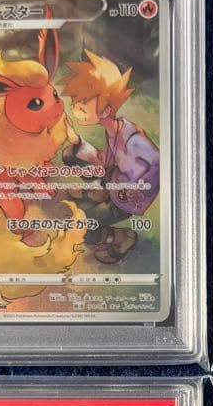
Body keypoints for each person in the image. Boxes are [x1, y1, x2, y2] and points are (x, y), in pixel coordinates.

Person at [61, 49, 160, 264]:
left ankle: (120, 237)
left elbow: (157, 163)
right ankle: (96, 192)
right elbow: (104, 159)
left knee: (84, 227)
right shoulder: (114, 130)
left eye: (82, 105)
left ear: (105, 111)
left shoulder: (133, 138)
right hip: (115, 181)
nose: (76, 110)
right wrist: (76, 140)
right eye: (76, 103)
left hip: (127, 198)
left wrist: (137, 189)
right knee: (71, 154)